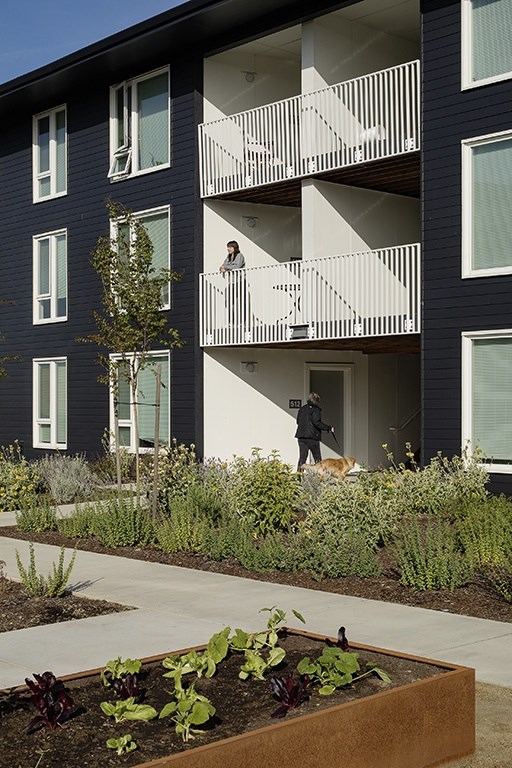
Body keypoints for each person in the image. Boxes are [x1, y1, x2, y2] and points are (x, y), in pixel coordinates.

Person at [295, 392, 334, 471]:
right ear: (316, 400)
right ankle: (319, 476)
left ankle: (299, 476)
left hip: (301, 436)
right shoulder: (316, 410)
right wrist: (329, 428)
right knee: (317, 458)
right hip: (313, 437)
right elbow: (317, 423)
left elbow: (298, 421)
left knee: (302, 458)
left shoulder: (302, 409)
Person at [220, 240, 247, 327]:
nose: (228, 249)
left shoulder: (239, 256)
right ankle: (231, 322)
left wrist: (226, 267)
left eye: (230, 247)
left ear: (235, 248)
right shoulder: (228, 257)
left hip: (240, 281)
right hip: (231, 282)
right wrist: (221, 268)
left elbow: (237, 266)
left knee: (241, 303)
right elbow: (223, 265)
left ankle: (242, 322)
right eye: (228, 247)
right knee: (229, 303)